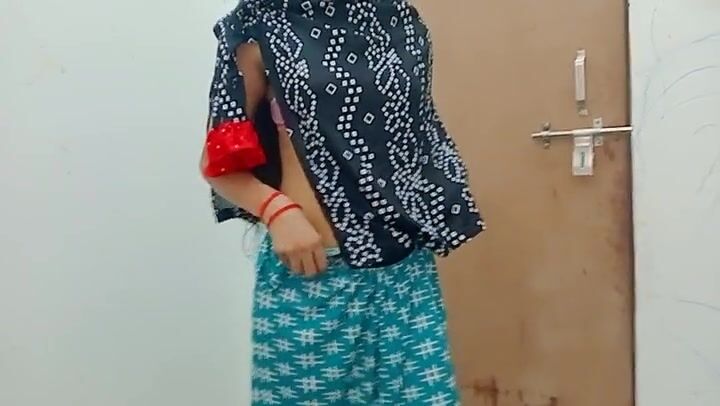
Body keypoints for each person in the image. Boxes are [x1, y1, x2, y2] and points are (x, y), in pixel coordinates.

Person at [200, 0, 485, 404]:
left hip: (405, 276)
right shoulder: (259, 26)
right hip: (311, 276)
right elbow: (218, 162)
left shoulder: (399, 22)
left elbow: (415, 144)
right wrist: (276, 211)